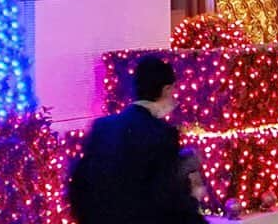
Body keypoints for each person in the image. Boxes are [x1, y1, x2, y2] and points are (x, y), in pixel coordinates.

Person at [68, 54, 206, 224]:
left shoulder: (102, 127)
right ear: (166, 90)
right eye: (174, 90)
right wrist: (194, 197)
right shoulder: (162, 135)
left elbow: (79, 187)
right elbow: (168, 200)